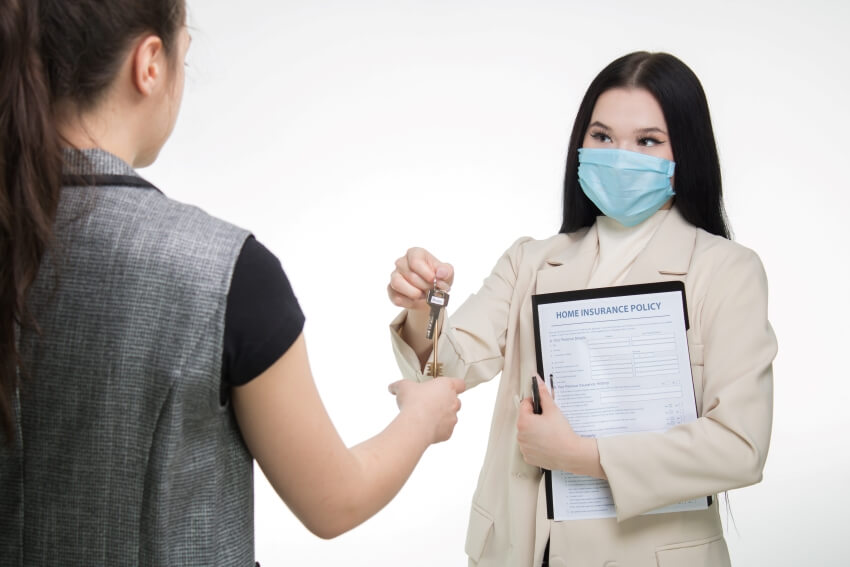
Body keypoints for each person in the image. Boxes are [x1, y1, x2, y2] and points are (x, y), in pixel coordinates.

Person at [0, 1, 465, 565]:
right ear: (149, 64)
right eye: (183, 57)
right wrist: (420, 418)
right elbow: (333, 500)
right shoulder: (226, 272)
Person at [387, 51, 776, 566]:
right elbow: (444, 370)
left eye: (648, 141)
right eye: (602, 136)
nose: (620, 156)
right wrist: (425, 306)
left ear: (687, 154)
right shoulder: (529, 261)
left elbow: (740, 447)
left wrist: (582, 457)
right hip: (519, 551)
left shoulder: (726, 271)